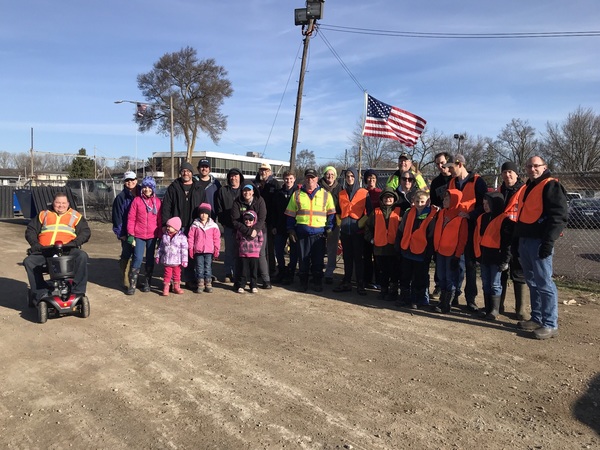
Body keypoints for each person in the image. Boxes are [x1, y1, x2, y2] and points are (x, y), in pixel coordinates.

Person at [514, 156, 568, 339]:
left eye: (536, 166)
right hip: (525, 239)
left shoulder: (551, 186)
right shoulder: (528, 187)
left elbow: (558, 216)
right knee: (532, 281)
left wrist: (548, 241)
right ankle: (537, 317)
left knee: (544, 282)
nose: (532, 169)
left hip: (539, 241)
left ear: (544, 167)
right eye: (529, 166)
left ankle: (550, 323)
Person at [24, 192, 91, 306]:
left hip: (67, 250)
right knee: (29, 262)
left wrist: (75, 243)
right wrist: (35, 244)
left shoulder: (76, 216)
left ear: (68, 203)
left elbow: (85, 232)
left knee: (82, 256)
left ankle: (78, 291)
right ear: (53, 203)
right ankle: (41, 292)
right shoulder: (43, 214)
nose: (61, 205)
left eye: (64, 203)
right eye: (58, 203)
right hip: (45, 250)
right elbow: (30, 230)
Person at [443, 154, 488, 312]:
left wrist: (471, 215)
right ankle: (453, 294)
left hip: (470, 226)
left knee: (469, 264)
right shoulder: (452, 182)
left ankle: (470, 299)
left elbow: (484, 204)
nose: (448, 170)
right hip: (455, 228)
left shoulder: (477, 181)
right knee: (455, 262)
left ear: (460, 164)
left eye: (451, 167)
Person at [286, 168, 336, 292]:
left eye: (312, 177)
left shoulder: (325, 194)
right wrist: (291, 230)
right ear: (304, 179)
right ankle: (303, 283)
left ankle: (317, 282)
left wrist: (329, 228)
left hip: (319, 235)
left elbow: (332, 213)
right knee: (303, 260)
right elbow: (290, 214)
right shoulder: (297, 194)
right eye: (308, 177)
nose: (310, 180)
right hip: (302, 234)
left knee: (318, 260)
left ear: (317, 179)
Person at [161, 162, 206, 289]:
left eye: (188, 171)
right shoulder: (173, 187)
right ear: (180, 173)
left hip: (193, 226)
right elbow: (166, 207)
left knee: (190, 254)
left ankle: (189, 278)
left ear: (192, 173)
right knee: (173, 254)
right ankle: (172, 280)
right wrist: (165, 224)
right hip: (176, 228)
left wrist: (204, 222)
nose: (186, 173)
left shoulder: (199, 188)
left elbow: (204, 207)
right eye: (183, 171)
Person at [473, 192, 513, 320]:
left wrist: (505, 260)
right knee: (485, 283)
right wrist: (478, 256)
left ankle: (495, 309)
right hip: (484, 256)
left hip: (497, 258)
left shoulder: (504, 219)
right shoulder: (482, 218)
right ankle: (487, 307)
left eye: (488, 203)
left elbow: (507, 243)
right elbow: (477, 238)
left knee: (495, 284)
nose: (485, 206)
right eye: (483, 204)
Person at [333, 167, 373, 295]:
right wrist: (340, 222)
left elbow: (370, 212)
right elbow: (338, 211)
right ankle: (347, 281)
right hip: (345, 231)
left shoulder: (364, 192)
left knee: (358, 258)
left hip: (358, 231)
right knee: (347, 257)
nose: (350, 178)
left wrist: (361, 223)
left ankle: (360, 283)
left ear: (356, 177)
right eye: (348, 176)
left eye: (352, 176)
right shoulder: (341, 193)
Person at [396, 190, 438, 309]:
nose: (419, 204)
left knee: (420, 277)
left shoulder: (431, 215)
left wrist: (429, 253)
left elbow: (431, 236)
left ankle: (418, 299)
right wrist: (398, 246)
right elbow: (401, 230)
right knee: (405, 276)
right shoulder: (409, 213)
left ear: (427, 202)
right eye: (417, 201)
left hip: (421, 253)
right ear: (413, 201)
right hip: (407, 250)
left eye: (422, 202)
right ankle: (405, 297)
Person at [498, 161, 528, 320]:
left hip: (518, 235)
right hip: (502, 235)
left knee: (518, 270)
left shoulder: (524, 190)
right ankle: (498, 305)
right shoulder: (500, 190)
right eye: (504, 173)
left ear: (517, 174)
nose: (507, 175)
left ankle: (520, 309)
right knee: (501, 269)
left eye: (510, 172)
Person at [432, 189, 468, 314]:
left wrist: (457, 255)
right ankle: (442, 300)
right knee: (441, 276)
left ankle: (448, 303)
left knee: (450, 278)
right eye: (444, 199)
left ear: (454, 200)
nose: (444, 201)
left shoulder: (460, 216)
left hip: (452, 253)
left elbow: (462, 239)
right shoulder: (441, 213)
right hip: (440, 250)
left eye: (447, 199)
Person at [231, 183, 271, 289]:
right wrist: (247, 231)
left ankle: (266, 280)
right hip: (242, 232)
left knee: (260, 255)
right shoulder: (237, 202)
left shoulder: (260, 201)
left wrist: (255, 230)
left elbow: (262, 217)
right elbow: (235, 220)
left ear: (253, 191)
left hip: (259, 231)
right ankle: (238, 281)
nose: (246, 193)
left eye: (249, 190)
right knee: (239, 256)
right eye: (244, 190)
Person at [363, 187, 401, 301]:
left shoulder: (400, 212)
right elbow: (367, 228)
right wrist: (371, 239)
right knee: (382, 271)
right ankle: (383, 290)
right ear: (381, 199)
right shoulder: (375, 212)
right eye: (385, 197)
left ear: (394, 199)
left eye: (390, 197)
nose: (388, 199)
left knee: (394, 271)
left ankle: (393, 291)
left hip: (394, 248)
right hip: (379, 249)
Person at [126, 176, 162, 295]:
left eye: (149, 187)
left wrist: (160, 236)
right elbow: (131, 218)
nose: (147, 189)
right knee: (137, 258)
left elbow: (160, 220)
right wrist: (131, 234)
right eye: (145, 187)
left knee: (150, 259)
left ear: (153, 188)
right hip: (139, 235)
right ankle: (133, 284)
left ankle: (147, 282)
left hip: (152, 235)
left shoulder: (157, 202)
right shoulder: (137, 201)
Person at [428, 152, 453, 300]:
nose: (440, 166)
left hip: (454, 221)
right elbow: (433, 200)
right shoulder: (436, 182)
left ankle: (453, 291)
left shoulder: (455, 179)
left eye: (442, 162)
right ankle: (439, 286)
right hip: (440, 221)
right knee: (439, 256)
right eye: (437, 164)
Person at [215, 167, 244, 282]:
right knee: (229, 251)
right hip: (229, 226)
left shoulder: (244, 190)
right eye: (231, 176)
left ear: (240, 177)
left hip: (242, 227)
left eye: (236, 176)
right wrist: (224, 223)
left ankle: (239, 273)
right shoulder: (223, 190)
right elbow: (219, 208)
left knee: (241, 250)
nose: (233, 178)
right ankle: (228, 273)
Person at [111, 171, 139, 290]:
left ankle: (135, 279)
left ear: (136, 180)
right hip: (126, 232)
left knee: (137, 255)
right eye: (127, 180)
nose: (130, 182)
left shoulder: (142, 193)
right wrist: (120, 233)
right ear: (124, 182)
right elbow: (117, 217)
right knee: (127, 254)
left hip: (140, 231)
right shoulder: (120, 198)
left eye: (132, 180)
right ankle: (126, 280)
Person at [254, 162, 282, 276]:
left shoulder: (275, 184)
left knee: (269, 247)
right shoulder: (255, 184)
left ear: (270, 172)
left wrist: (275, 223)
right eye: (261, 170)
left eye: (265, 170)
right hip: (256, 221)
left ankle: (271, 270)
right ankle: (258, 270)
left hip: (270, 220)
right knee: (257, 247)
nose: (263, 172)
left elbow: (277, 205)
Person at [272, 171, 299, 284]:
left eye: (291, 178)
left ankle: (291, 272)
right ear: (284, 179)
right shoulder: (278, 193)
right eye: (286, 179)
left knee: (294, 251)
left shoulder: (299, 193)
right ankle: (281, 270)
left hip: (294, 227)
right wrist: (274, 225)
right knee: (278, 250)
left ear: (294, 179)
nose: (288, 181)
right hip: (280, 226)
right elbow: (273, 211)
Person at [187, 203, 221, 294]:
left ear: (208, 214)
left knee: (208, 267)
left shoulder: (213, 225)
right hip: (198, 251)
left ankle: (208, 283)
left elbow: (217, 238)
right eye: (202, 213)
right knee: (199, 267)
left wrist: (217, 249)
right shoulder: (195, 225)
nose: (203, 215)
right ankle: (200, 283)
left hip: (209, 251)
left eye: (206, 213)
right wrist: (190, 248)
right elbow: (191, 238)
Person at [319, 166, 342, 285]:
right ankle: (317, 271)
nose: (330, 176)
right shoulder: (318, 187)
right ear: (324, 175)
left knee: (332, 249)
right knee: (318, 248)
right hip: (319, 221)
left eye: (332, 174)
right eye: (328, 174)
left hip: (334, 223)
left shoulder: (339, 188)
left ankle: (329, 273)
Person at [155, 216, 188, 296]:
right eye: (167, 226)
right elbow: (161, 247)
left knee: (177, 275)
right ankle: (166, 288)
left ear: (176, 228)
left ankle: (176, 287)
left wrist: (184, 260)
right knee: (167, 275)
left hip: (177, 261)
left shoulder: (182, 237)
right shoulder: (165, 236)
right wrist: (158, 256)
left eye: (170, 226)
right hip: (167, 261)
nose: (168, 228)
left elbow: (184, 249)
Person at [234, 210, 263, 294]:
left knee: (253, 271)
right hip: (243, 254)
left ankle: (253, 285)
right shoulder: (241, 230)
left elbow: (261, 240)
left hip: (254, 254)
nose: (248, 221)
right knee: (243, 271)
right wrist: (241, 247)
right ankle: (242, 285)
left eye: (250, 219)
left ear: (254, 220)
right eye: (246, 219)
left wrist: (258, 249)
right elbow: (237, 239)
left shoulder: (257, 230)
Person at [363, 169, 381, 289]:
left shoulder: (380, 193)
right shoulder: (362, 192)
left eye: (373, 178)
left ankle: (378, 280)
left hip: (377, 228)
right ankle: (367, 279)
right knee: (366, 255)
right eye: (369, 178)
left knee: (378, 256)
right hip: (364, 228)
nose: (371, 180)